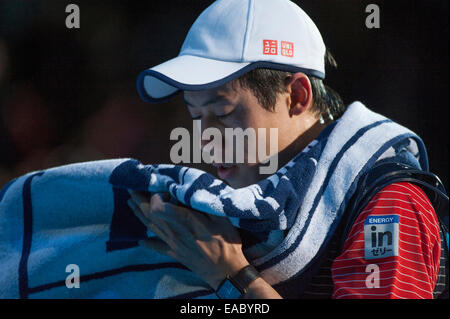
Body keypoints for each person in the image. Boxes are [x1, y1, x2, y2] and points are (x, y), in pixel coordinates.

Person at [128, 0, 447, 299]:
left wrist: (232, 276)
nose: (205, 139)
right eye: (196, 116)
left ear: (297, 96)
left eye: (223, 113)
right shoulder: (225, 215)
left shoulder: (389, 203)